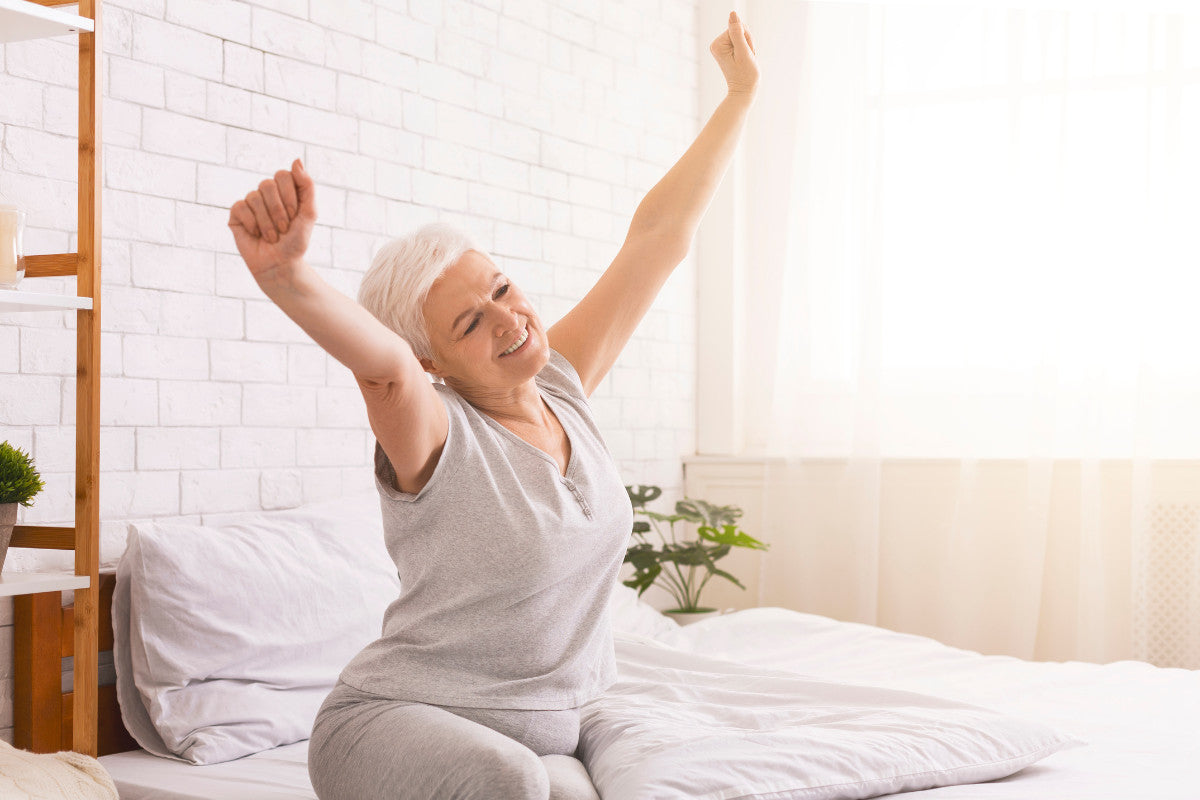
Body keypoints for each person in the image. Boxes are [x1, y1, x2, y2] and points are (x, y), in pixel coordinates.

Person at [226, 11, 758, 800]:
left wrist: (741, 95)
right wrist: (284, 277)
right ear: (433, 359)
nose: (510, 319)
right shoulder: (437, 431)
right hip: (392, 725)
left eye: (502, 288)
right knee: (514, 783)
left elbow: (657, 238)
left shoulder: (560, 388)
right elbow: (384, 374)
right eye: (471, 322)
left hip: (536, 736)